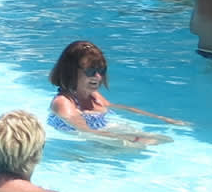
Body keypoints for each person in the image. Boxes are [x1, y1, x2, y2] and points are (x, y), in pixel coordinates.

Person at [46, 40, 183, 145]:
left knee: (157, 141)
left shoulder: (93, 95)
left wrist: (162, 119)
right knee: (139, 145)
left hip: (102, 133)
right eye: (90, 71)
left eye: (101, 70)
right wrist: (131, 138)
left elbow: (119, 108)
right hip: (80, 142)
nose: (98, 77)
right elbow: (85, 131)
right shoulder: (63, 102)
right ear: (70, 72)